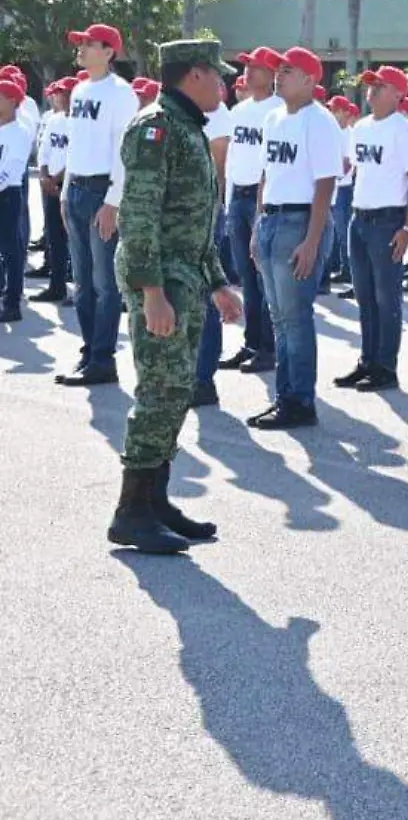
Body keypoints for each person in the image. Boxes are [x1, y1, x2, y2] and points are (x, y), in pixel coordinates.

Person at [108, 39, 246, 553]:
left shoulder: (187, 128)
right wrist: (152, 293)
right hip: (160, 281)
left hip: (184, 276)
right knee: (160, 393)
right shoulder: (156, 128)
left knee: (177, 390)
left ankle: (154, 502)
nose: (225, 84)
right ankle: (130, 511)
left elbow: (193, 225)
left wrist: (217, 284)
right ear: (193, 76)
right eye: (218, 75)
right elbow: (139, 217)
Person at [249, 46, 345, 430]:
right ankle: (285, 395)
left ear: (309, 80)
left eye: (288, 70)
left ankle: (299, 401)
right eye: (279, 70)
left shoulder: (319, 121)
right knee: (279, 318)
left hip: (299, 221)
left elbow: (325, 185)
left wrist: (312, 240)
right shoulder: (273, 118)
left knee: (295, 317)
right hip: (273, 220)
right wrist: (258, 224)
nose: (279, 76)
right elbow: (266, 176)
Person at [57, 23, 139, 386]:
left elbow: (125, 151)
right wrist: (65, 190)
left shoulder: (121, 93)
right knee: (83, 281)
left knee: (105, 282)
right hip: (77, 188)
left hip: (102, 191)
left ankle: (103, 358)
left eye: (88, 44)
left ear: (108, 52)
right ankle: (90, 351)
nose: (81, 49)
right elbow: (76, 143)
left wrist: (113, 201)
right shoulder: (79, 89)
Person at [334, 66, 408, 393]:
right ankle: (367, 361)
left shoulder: (406, 131)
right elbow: (352, 169)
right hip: (360, 217)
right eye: (370, 86)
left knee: (387, 298)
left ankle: (386, 367)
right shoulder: (362, 128)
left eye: (379, 86)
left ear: (398, 94)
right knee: (365, 296)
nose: (371, 91)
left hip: (388, 220)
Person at [218, 48, 284, 374]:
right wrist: (227, 200)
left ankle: (268, 348)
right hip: (238, 197)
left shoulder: (278, 110)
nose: (248, 71)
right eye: (246, 66)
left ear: (272, 74)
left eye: (256, 67)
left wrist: (261, 208)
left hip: (262, 201)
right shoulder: (239, 110)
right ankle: (251, 343)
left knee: (263, 279)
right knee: (246, 277)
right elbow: (231, 159)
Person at [186, 85, 236, 406]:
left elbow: (217, 175)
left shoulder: (218, 118)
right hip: (180, 218)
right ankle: (189, 375)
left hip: (203, 218)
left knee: (204, 298)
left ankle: (203, 380)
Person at [29, 78, 72, 305]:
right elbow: (44, 150)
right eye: (59, 93)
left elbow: (76, 154)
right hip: (50, 186)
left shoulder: (79, 122)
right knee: (54, 240)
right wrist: (45, 176)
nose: (60, 97)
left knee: (75, 242)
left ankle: (80, 289)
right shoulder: (54, 120)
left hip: (68, 185)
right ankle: (56, 287)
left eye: (66, 93)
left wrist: (56, 180)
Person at [0, 81, 31, 322]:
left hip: (7, 195)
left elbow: (13, 169)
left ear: (12, 100)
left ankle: (13, 303)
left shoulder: (20, 132)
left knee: (11, 250)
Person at [323, 96, 359, 295]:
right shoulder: (332, 132)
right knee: (336, 234)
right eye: (331, 109)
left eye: (336, 110)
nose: (333, 113)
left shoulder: (350, 134)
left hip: (343, 189)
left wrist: (332, 177)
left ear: (346, 112)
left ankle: (350, 272)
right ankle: (343, 269)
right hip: (334, 189)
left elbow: (348, 164)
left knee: (346, 234)